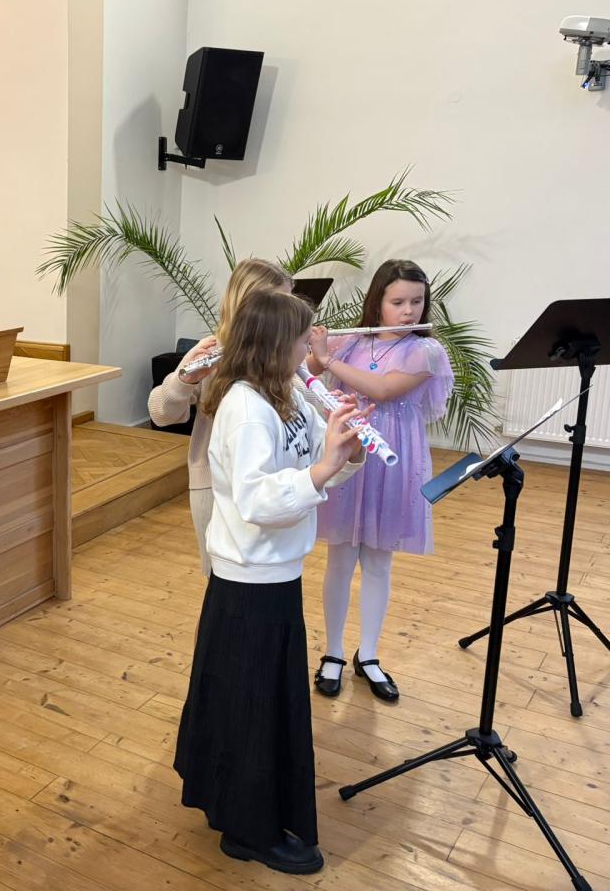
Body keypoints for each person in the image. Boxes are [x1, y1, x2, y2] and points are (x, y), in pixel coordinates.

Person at [173, 290, 366, 875]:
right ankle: (246, 830)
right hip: (249, 579)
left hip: (279, 571)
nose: (311, 350)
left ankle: (248, 812)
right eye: (303, 340)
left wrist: (345, 447)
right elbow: (259, 500)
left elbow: (316, 462)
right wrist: (324, 467)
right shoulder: (246, 407)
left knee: (265, 705)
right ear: (274, 345)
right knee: (250, 708)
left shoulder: (288, 393)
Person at [307, 260, 453, 702]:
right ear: (378, 301)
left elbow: (383, 390)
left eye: (417, 302)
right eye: (398, 302)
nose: (409, 311)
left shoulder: (426, 351)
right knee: (339, 558)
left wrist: (329, 358)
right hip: (348, 450)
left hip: (393, 457)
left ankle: (367, 654)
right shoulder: (352, 340)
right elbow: (306, 370)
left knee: (378, 561)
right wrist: (313, 346)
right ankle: (333, 652)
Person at [148, 258, 293, 576]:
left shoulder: (288, 357)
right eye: (279, 305)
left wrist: (314, 370)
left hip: (270, 487)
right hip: (213, 488)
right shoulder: (212, 351)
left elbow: (305, 421)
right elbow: (161, 414)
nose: (287, 317)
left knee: (266, 579)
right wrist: (184, 381)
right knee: (219, 580)